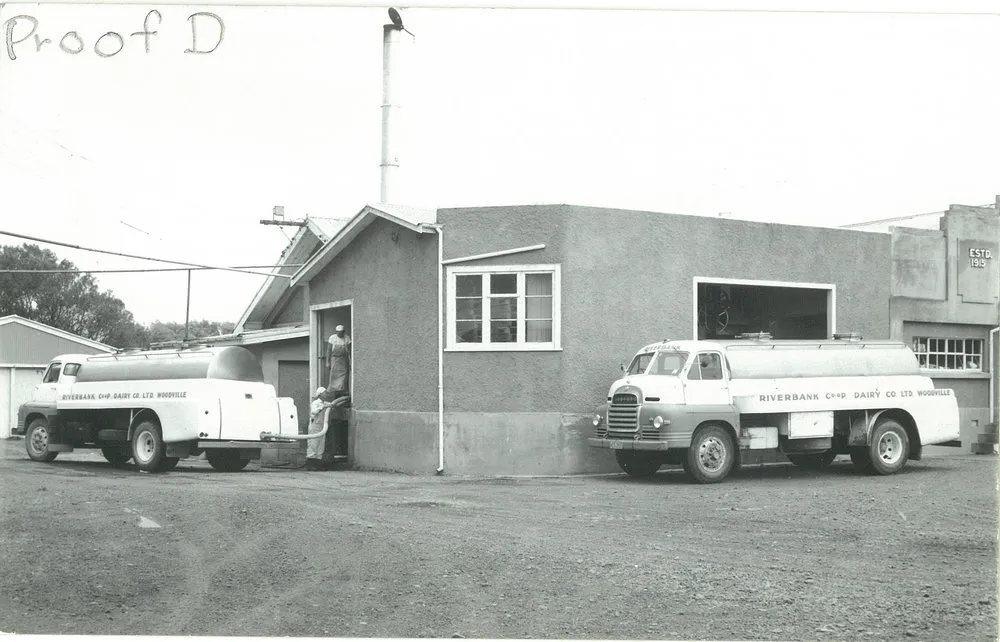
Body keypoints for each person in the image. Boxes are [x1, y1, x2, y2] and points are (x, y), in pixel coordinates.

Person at [306, 386, 334, 468]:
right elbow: (314, 412)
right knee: (313, 444)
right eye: (324, 393)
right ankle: (311, 463)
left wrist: (330, 405)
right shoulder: (315, 403)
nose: (326, 394)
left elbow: (331, 405)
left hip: (322, 426)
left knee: (321, 445)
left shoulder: (325, 403)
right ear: (320, 394)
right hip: (315, 426)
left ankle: (318, 463)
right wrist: (322, 407)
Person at [326, 325, 351, 394]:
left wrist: (350, 363)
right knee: (333, 377)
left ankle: (341, 392)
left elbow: (349, 351)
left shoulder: (347, 338)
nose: (339, 334)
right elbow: (329, 350)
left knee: (343, 377)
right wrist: (327, 362)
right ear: (336, 332)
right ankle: (333, 392)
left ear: (343, 332)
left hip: (343, 360)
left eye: (341, 332)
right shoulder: (332, 338)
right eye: (338, 332)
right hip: (334, 360)